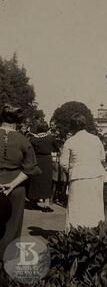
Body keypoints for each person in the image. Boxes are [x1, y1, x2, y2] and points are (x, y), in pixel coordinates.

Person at [0, 104, 40, 260]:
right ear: (17, 121)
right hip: (15, 188)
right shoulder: (24, 140)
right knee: (13, 225)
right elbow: (30, 168)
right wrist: (12, 184)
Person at [60, 113, 106, 230]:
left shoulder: (70, 141)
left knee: (77, 207)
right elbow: (102, 158)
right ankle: (94, 232)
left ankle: (75, 234)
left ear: (72, 126)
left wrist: (72, 169)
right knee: (94, 207)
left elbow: (63, 163)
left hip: (78, 178)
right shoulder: (96, 139)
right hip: (96, 177)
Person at [28, 120, 59, 212]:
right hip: (46, 160)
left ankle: (33, 202)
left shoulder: (33, 138)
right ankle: (46, 205)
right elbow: (56, 148)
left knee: (35, 180)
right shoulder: (50, 138)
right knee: (46, 181)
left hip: (36, 160)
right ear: (46, 128)